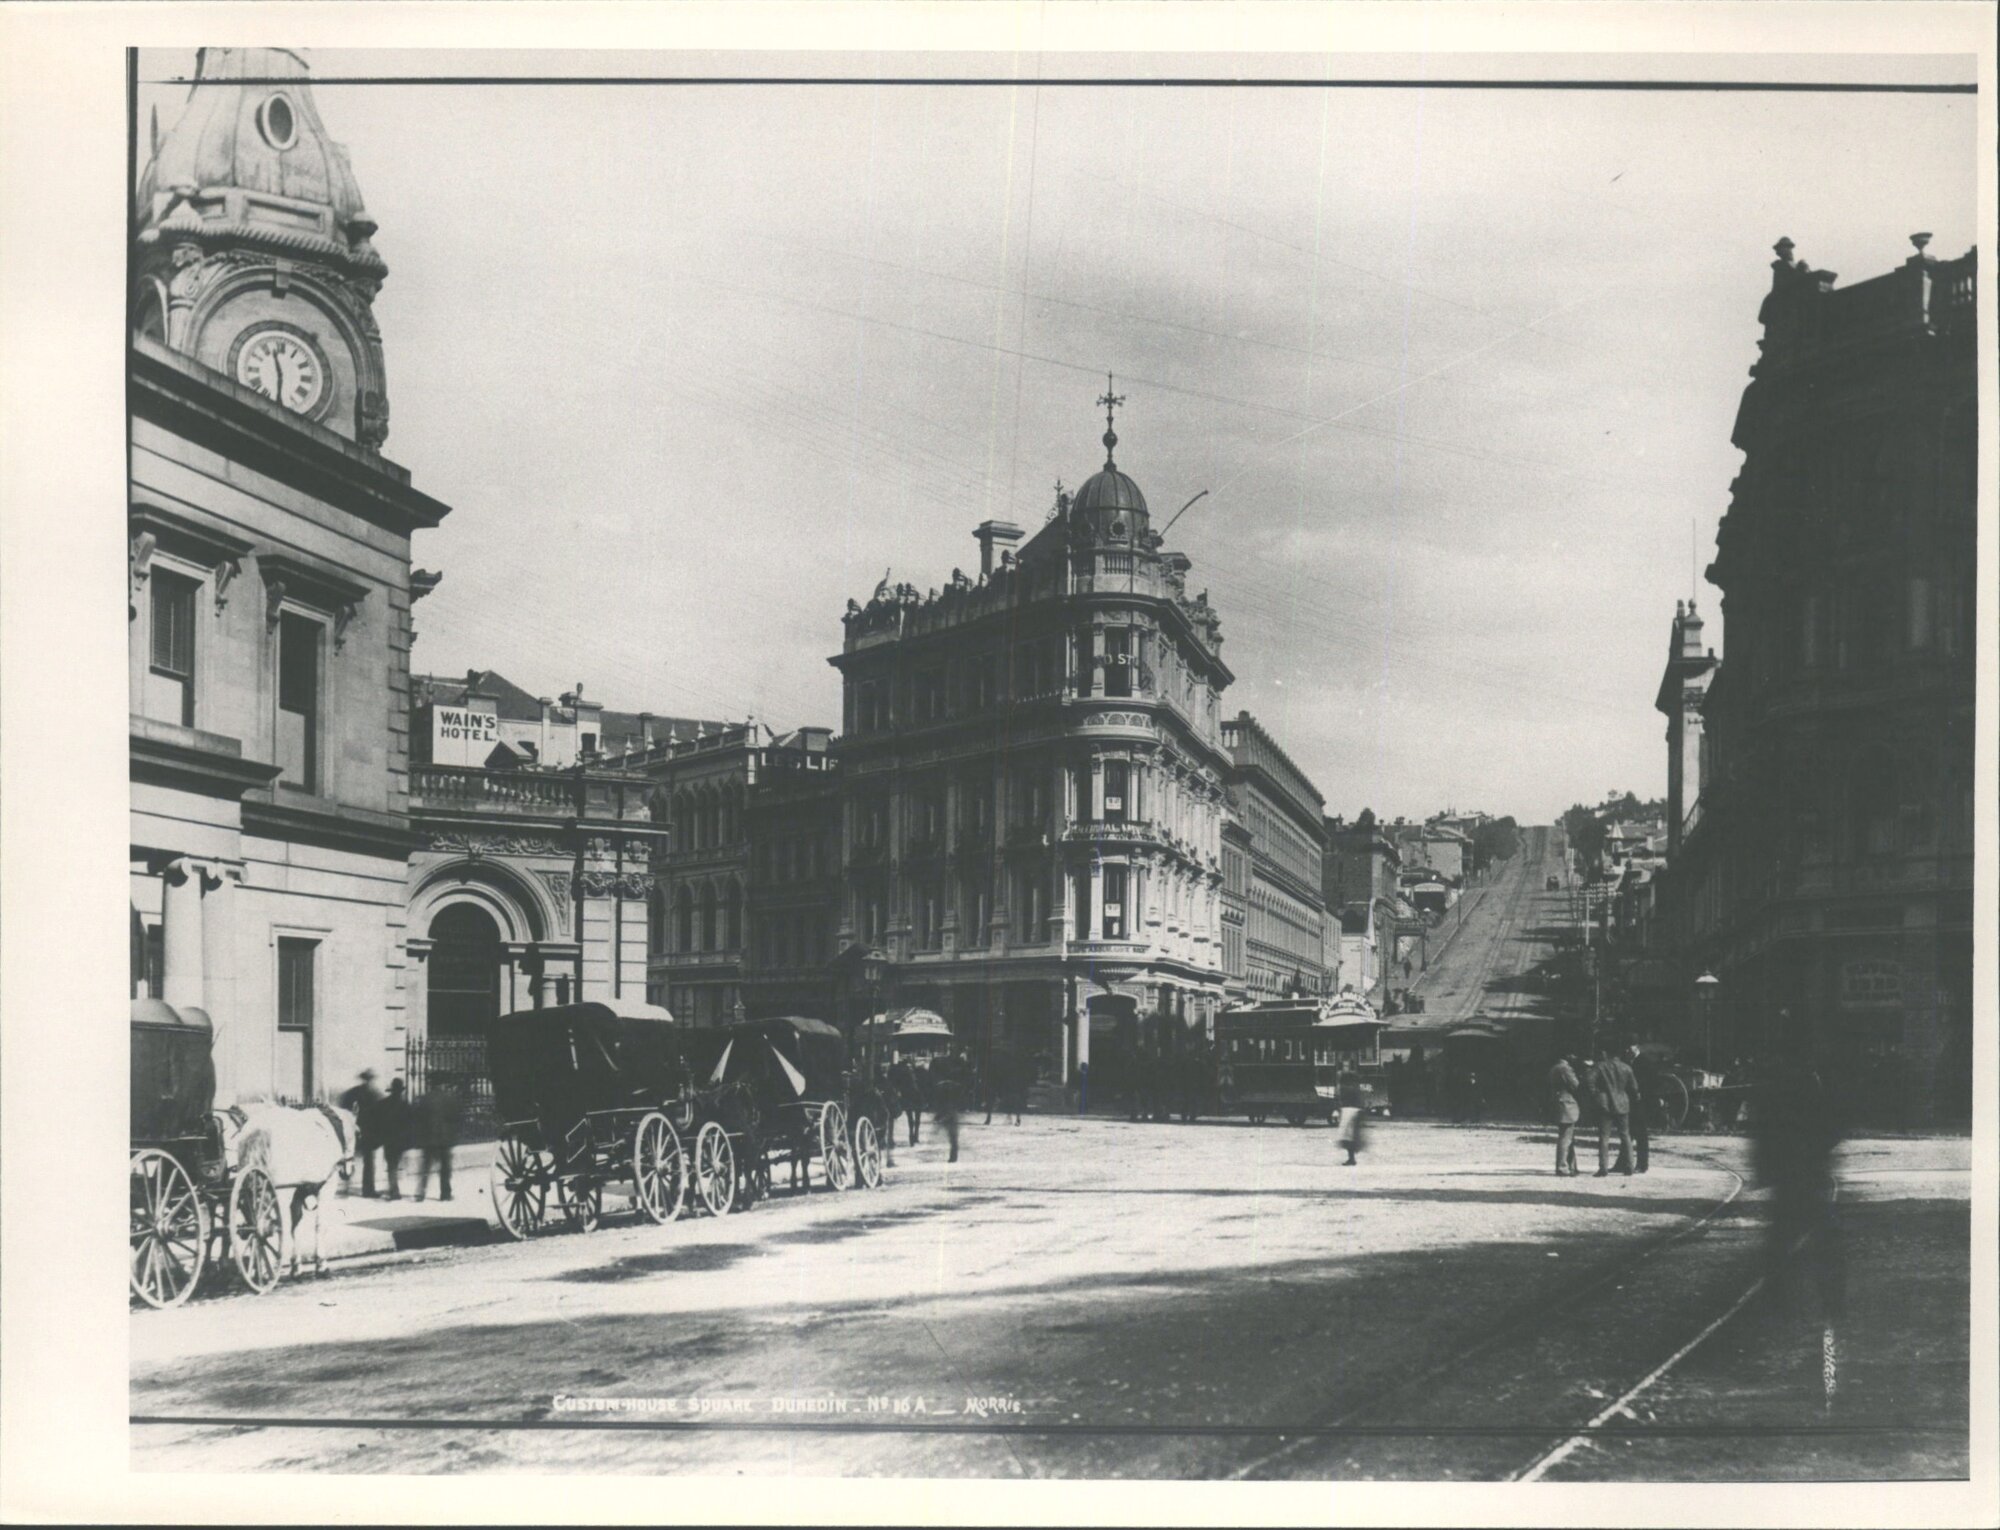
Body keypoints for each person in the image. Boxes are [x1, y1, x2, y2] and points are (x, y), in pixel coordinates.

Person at [338, 1069, 386, 1197]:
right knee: (368, 1163)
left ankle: (346, 1187)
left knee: (350, 1157)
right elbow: (380, 1114)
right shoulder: (374, 1094)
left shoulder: (354, 1092)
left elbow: (344, 1108)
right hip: (368, 1133)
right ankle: (368, 1190)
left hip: (356, 1130)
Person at [1590, 1044, 1637, 1177]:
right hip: (1622, 1103)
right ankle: (1629, 1166)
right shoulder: (1626, 1067)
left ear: (1607, 1053)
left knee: (1604, 1137)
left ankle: (1603, 1167)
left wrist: (1596, 1093)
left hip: (1605, 1104)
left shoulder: (1600, 1066)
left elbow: (1589, 1080)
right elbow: (1634, 1087)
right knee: (1625, 1136)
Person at [414, 1079, 463, 1202]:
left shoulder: (425, 1099)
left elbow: (418, 1118)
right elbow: (456, 1117)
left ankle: (420, 1193)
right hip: (445, 1139)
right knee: (445, 1168)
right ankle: (445, 1194)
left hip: (429, 1138)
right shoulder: (449, 1098)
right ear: (442, 1084)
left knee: (425, 1167)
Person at [379, 1077, 414, 1199]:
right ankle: (394, 1191)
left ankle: (394, 1191)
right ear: (401, 1091)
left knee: (391, 1166)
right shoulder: (405, 1105)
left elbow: (379, 1121)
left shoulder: (384, 1104)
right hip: (400, 1140)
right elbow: (410, 1123)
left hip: (388, 1140)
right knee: (395, 1165)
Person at [1626, 1043, 1658, 1174]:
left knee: (1640, 1135)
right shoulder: (1632, 1061)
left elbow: (1650, 1082)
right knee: (1629, 1134)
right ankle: (1625, 1163)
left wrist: (1641, 1094)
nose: (1628, 1050)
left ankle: (1642, 1164)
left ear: (1636, 1048)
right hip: (1634, 1103)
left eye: (1630, 1047)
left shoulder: (1644, 1062)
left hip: (1641, 1103)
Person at [1549, 1053, 1582, 1176]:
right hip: (1567, 1104)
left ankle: (1571, 1165)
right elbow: (1576, 1086)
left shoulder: (1555, 1067)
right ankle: (1562, 1166)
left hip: (1560, 1103)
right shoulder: (1565, 1069)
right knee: (1566, 1137)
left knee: (1568, 1137)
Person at [1335, 1068, 1367, 1167]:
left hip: (1349, 1112)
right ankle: (1351, 1158)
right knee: (1351, 1137)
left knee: (1348, 1137)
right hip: (1353, 1111)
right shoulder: (1354, 1088)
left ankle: (1351, 1158)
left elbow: (1341, 1100)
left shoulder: (1345, 1088)